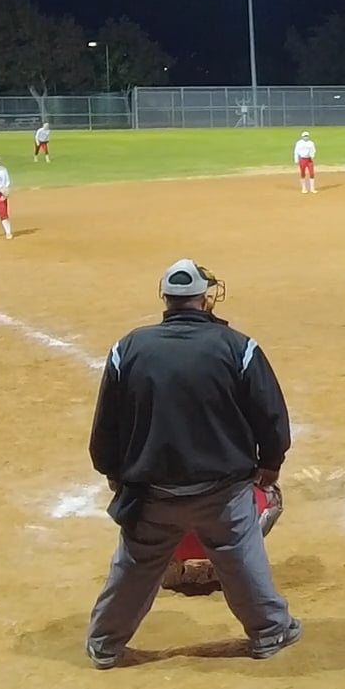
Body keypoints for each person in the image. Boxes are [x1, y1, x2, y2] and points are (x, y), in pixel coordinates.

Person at [86, 259, 301, 668]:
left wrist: (112, 472)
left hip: (151, 492)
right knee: (241, 557)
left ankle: (104, 644)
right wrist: (271, 463)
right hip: (224, 491)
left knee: (134, 566)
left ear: (166, 299)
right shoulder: (238, 347)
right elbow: (271, 414)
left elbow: (106, 425)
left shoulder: (127, 348)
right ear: (205, 299)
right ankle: (270, 632)